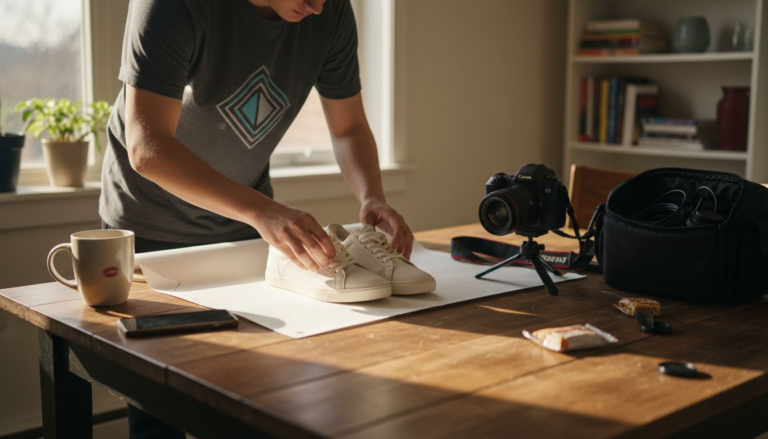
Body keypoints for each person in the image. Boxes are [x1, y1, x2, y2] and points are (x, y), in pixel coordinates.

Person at [99, 0, 413, 437]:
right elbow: (147, 148)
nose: (317, 5)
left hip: (242, 230)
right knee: (160, 415)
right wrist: (262, 210)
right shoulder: (173, 6)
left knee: (247, 400)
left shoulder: (329, 11)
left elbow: (348, 128)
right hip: (151, 230)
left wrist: (371, 195)